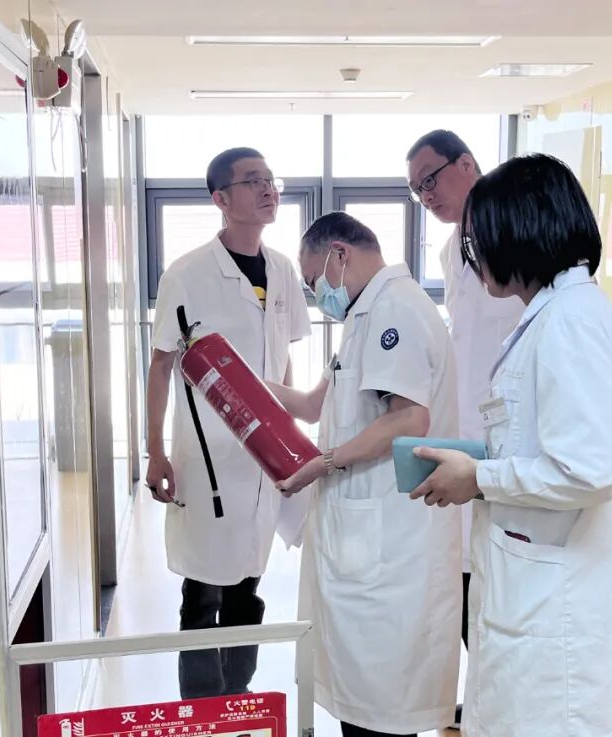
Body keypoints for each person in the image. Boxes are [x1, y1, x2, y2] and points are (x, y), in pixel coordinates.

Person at [410, 153, 612, 737]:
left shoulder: (570, 320)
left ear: (521, 229)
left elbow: (588, 470)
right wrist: (480, 464)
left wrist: (479, 477)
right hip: (533, 594)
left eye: (478, 239)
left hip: (555, 617)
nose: (474, 256)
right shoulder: (553, 315)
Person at [268, 212, 461, 737]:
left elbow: (408, 418)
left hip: (392, 544)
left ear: (340, 254)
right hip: (364, 543)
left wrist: (324, 463)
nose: (318, 295)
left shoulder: (395, 308)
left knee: (380, 713)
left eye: (315, 281)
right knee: (362, 706)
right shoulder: (363, 315)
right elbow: (315, 404)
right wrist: (245, 383)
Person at [145, 147, 311, 699]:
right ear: (221, 198)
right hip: (206, 458)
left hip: (262, 459)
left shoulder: (282, 270)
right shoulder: (187, 274)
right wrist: (154, 451)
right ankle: (201, 713)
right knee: (202, 594)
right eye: (252, 181)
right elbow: (161, 365)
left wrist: (288, 437)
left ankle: (237, 707)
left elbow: (282, 362)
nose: (268, 190)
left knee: (248, 589)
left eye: (271, 179)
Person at [406, 129, 523, 729]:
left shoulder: (513, 227)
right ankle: (482, 694)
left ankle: (499, 698)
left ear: (468, 163)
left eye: (430, 179)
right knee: (463, 572)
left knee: (499, 576)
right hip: (467, 428)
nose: (426, 195)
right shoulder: (452, 250)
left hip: (513, 434)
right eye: (416, 189)